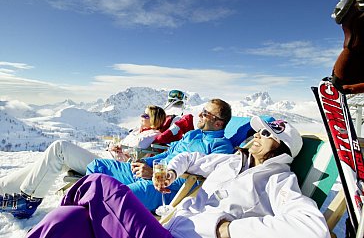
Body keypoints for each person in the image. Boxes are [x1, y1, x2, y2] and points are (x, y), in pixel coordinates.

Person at [26, 116, 330, 238]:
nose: (257, 136)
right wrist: (172, 170)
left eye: (267, 134)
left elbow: (311, 229)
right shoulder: (232, 161)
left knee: (96, 186)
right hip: (165, 225)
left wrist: (226, 229)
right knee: (66, 219)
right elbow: (190, 158)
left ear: (284, 147)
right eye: (258, 130)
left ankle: (47, 199)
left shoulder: (278, 180)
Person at [0, 105, 166, 219]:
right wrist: (116, 149)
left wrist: (122, 152)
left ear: (154, 120)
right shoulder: (138, 131)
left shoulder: (150, 135)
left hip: (111, 169)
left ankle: (28, 201)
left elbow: (137, 161)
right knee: (51, 160)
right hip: (109, 163)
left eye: (145, 115)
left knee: (60, 148)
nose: (141, 116)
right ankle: (4, 187)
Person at [85, 98, 234, 211]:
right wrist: (145, 163)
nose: (200, 114)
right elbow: (169, 153)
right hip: (151, 173)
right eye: (202, 110)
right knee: (97, 166)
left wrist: (155, 175)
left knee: (119, 195)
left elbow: (201, 182)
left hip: (168, 187)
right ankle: (88, 207)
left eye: (206, 114)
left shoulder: (221, 147)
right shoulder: (193, 134)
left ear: (218, 123)